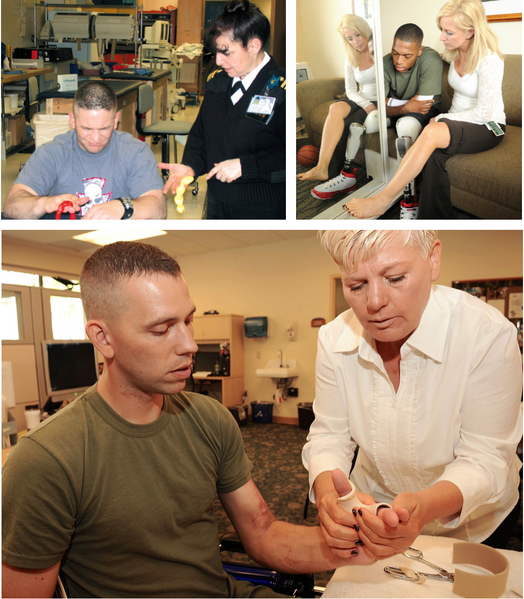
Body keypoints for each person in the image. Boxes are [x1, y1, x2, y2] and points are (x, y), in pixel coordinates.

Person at [2, 241, 379, 599]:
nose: (190, 345)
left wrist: (353, 545)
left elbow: (262, 532)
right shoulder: (46, 461)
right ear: (103, 338)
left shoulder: (210, 420)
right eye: (162, 329)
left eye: (188, 321)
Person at [302, 230, 522, 560]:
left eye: (395, 278)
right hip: (374, 512)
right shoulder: (332, 339)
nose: (374, 302)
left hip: (473, 523)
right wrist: (328, 495)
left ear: (433, 260)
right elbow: (329, 435)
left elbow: (486, 458)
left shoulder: (487, 335)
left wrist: (422, 508)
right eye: (356, 285)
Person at [344, 0, 506, 219]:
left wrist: (441, 118)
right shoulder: (453, 53)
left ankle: (382, 200)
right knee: (432, 159)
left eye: (448, 32)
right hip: (455, 123)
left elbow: (484, 112)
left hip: (488, 125)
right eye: (441, 30)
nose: (441, 37)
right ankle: (434, 217)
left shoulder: (490, 58)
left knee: (430, 132)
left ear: (470, 32)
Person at [159, 0, 285, 220]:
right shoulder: (217, 81)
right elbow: (201, 134)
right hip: (217, 200)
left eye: (226, 52)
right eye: (216, 52)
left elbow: (290, 156)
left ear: (254, 46)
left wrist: (246, 166)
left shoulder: (281, 87)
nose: (218, 61)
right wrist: (190, 166)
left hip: (262, 205)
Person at [3, 81, 165, 220]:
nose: (95, 138)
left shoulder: (136, 152)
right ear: (72, 120)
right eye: (86, 128)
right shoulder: (52, 153)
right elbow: (12, 205)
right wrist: (43, 203)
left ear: (116, 120)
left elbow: (158, 208)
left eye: (104, 128)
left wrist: (123, 207)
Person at [296, 14, 378, 201]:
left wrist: (373, 106)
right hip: (362, 99)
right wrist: (366, 105)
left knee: (345, 125)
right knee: (335, 110)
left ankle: (337, 176)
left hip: (380, 100)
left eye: (357, 35)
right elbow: (350, 91)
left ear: (365, 30)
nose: (355, 42)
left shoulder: (379, 51)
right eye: (349, 38)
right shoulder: (351, 57)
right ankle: (322, 168)